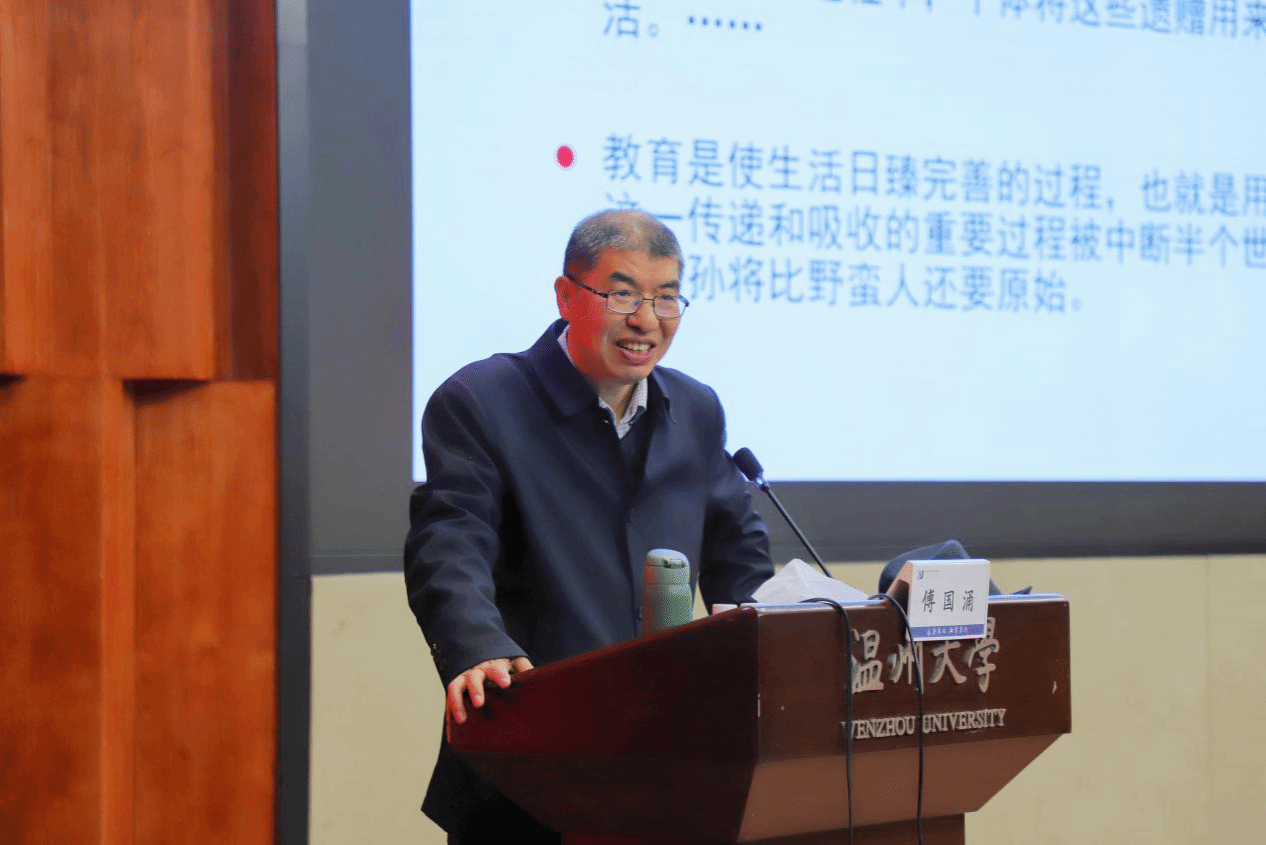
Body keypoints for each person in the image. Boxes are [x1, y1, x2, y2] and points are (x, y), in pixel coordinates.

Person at [404, 209, 774, 844]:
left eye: (666, 298)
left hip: (671, 762)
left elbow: (739, 557)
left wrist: (784, 638)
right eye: (622, 294)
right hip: (528, 761)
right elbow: (449, 541)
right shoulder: (482, 401)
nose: (647, 321)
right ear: (565, 295)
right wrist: (476, 645)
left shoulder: (695, 409)